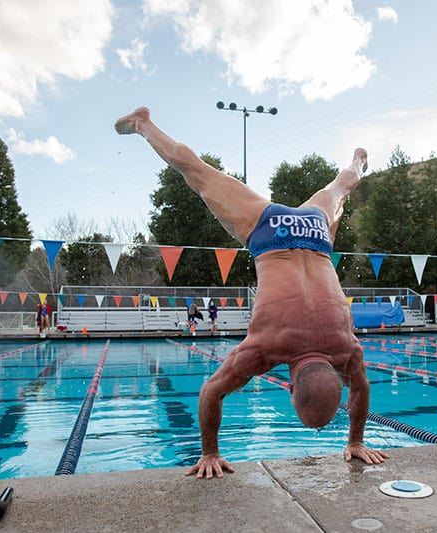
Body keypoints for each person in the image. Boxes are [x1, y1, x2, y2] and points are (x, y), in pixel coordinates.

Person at [115, 106, 388, 480]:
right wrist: (209, 452)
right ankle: (143, 125)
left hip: (315, 232)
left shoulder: (347, 348)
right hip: (268, 234)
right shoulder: (266, 349)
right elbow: (211, 391)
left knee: (335, 188)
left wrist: (355, 439)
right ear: (289, 387)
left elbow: (361, 386)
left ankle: (357, 164)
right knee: (197, 175)